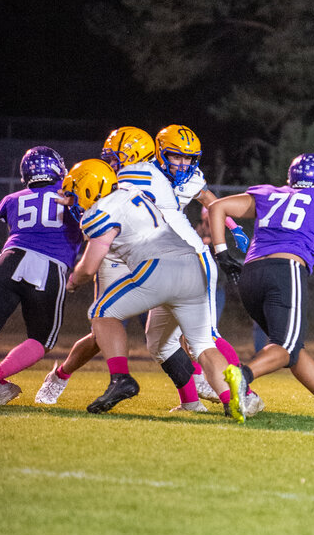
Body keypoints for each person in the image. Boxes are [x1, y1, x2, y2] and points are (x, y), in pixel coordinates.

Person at [59, 158, 248, 421]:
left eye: (74, 192)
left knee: (102, 311)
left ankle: (120, 378)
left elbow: (89, 268)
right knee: (200, 344)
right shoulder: (136, 195)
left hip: (158, 269)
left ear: (88, 189)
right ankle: (233, 401)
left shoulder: (100, 211)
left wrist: (72, 282)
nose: (74, 199)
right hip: (192, 268)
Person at [208, 153, 314, 424]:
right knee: (284, 347)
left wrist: (222, 253)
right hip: (285, 272)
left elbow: (217, 206)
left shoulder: (267, 193)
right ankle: (243, 375)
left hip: (250, 274)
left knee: (291, 348)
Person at [0, 147, 83, 407]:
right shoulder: (72, 196)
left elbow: (8, 213)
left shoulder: (11, 199)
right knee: (41, 339)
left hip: (7, 261)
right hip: (48, 266)